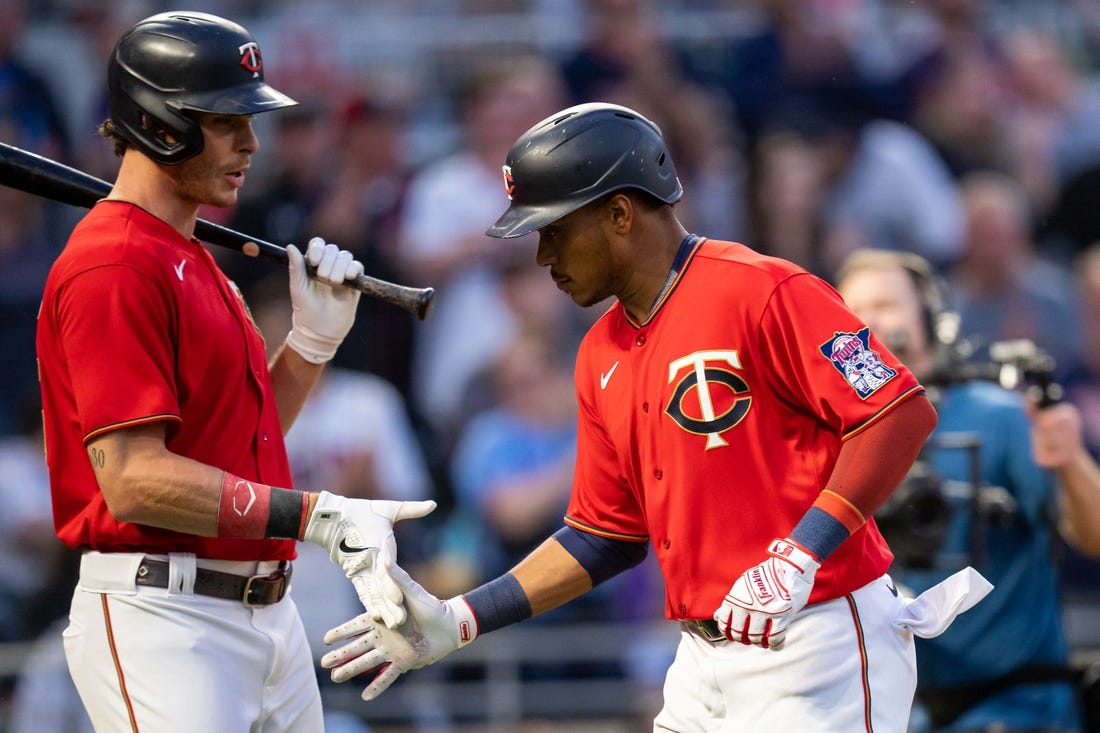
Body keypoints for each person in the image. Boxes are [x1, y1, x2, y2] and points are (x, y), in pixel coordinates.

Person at [321, 103, 992, 731]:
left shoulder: (761, 288)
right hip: (701, 661)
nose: (543, 257)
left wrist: (800, 550)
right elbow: (601, 534)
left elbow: (897, 413)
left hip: (818, 638)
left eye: (554, 230)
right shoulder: (599, 351)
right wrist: (461, 616)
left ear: (619, 214)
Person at [34, 12, 435, 731]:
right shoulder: (116, 262)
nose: (252, 143)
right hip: (166, 617)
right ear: (162, 125)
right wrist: (315, 514)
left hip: (265, 614)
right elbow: (132, 478)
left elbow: (238, 447)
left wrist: (311, 347)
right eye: (227, 121)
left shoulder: (191, 258)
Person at [834, 249, 1082, 732]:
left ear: (932, 316)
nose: (867, 324)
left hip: (1019, 707)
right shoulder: (833, 437)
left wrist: (1071, 460)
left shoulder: (1001, 416)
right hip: (899, 712)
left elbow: (1088, 536)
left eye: (885, 304)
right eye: (852, 313)